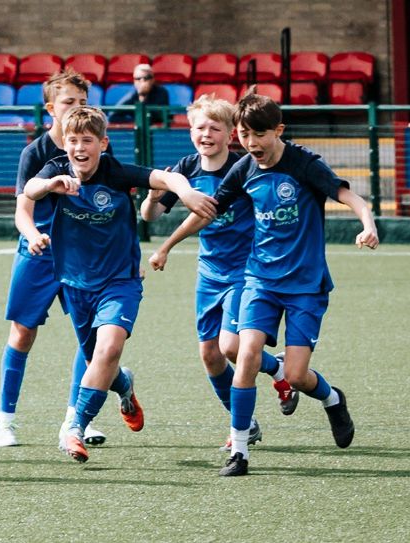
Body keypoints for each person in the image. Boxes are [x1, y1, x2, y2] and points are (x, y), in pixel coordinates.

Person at [145, 90, 379, 476]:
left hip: (305, 283)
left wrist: (367, 224)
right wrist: (167, 246)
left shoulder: (304, 164)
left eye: (260, 135)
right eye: (245, 136)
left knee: (298, 375)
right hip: (259, 279)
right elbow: (209, 211)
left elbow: (349, 196)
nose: (252, 144)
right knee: (244, 353)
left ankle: (333, 399)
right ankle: (239, 451)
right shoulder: (243, 170)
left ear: (278, 131)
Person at [24, 105, 218, 463]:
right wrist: (50, 184)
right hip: (76, 284)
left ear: (103, 143)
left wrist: (187, 193)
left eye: (87, 140)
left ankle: (75, 426)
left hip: (120, 282)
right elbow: (32, 189)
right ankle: (124, 387)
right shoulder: (56, 170)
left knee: (108, 349)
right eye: (72, 141)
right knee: (99, 360)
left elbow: (165, 177)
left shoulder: (116, 172)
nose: (79, 148)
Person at [143, 94, 299, 453]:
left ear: (231, 134)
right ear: (190, 132)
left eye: (215, 128)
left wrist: (166, 247)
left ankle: (239, 425)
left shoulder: (244, 168)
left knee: (231, 347)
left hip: (247, 271)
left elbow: (208, 213)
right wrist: (153, 196)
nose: (206, 134)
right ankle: (267, 389)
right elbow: (149, 217)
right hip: (209, 273)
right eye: (199, 128)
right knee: (210, 355)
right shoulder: (184, 170)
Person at [0, 69, 106, 450]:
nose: (76, 108)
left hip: (83, 257)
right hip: (38, 253)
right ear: (50, 109)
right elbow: (22, 210)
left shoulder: (97, 147)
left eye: (82, 102)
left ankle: (76, 420)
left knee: (90, 337)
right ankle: (5, 421)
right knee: (23, 333)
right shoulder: (35, 153)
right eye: (68, 103)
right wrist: (32, 235)